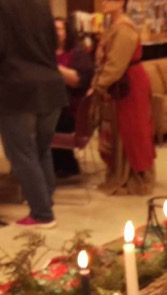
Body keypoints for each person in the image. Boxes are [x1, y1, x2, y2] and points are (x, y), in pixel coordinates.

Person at [0, 0, 68, 228]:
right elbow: (55, 42)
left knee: (21, 153)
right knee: (41, 149)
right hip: (51, 84)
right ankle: (45, 202)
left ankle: (42, 214)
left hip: (17, 86)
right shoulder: (41, 5)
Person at [91, 0, 155, 195]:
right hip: (121, 83)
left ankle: (133, 176)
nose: (103, 2)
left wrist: (98, 85)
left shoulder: (124, 28)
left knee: (131, 130)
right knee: (119, 129)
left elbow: (116, 65)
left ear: (120, 3)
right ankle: (120, 172)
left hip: (129, 85)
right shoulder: (114, 25)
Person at [53, 15, 95, 178]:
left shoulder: (77, 53)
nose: (55, 33)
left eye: (59, 29)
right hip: (55, 104)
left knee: (42, 122)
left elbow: (79, 81)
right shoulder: (47, 52)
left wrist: (54, 66)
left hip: (72, 112)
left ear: (67, 32)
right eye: (53, 30)